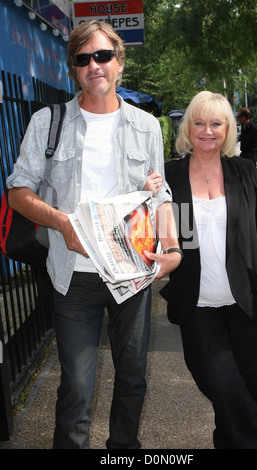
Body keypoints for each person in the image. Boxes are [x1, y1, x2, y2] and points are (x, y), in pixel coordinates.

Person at [6, 20, 181, 449]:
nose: (94, 66)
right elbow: (17, 191)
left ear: (119, 63)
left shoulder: (147, 126)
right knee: (77, 389)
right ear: (74, 69)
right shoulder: (48, 122)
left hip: (132, 274)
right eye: (84, 59)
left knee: (133, 379)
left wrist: (173, 247)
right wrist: (63, 223)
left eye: (103, 56)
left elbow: (159, 195)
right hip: (75, 277)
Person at [160, 91, 257, 449]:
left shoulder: (243, 171)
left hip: (244, 296)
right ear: (188, 128)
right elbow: (168, 234)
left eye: (216, 123)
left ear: (228, 128)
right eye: (199, 122)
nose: (207, 131)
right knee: (220, 383)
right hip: (196, 303)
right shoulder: (171, 175)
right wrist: (151, 196)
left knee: (250, 383)